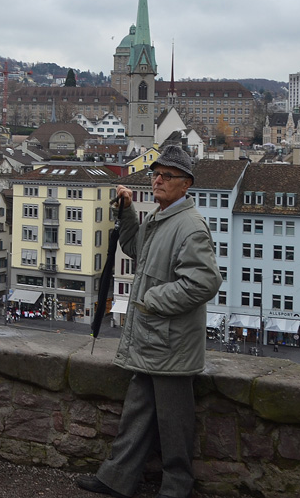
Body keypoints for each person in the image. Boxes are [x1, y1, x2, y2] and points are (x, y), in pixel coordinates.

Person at [76, 144, 220, 498]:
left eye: (166, 175)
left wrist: (151, 300)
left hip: (171, 343)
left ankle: (176, 488)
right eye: (156, 173)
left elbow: (204, 282)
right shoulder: (161, 218)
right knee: (137, 414)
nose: (156, 179)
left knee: (174, 423)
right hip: (154, 338)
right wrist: (126, 213)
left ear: (185, 184)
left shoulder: (190, 227)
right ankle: (116, 479)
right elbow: (134, 248)